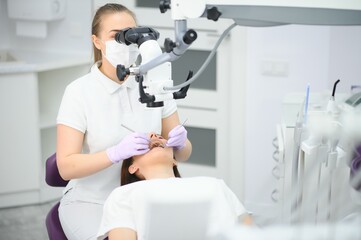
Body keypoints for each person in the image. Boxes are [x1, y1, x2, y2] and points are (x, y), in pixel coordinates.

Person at [56, 3, 192, 240]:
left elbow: (182, 155)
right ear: (97, 41)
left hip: (144, 198)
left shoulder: (155, 85)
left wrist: (180, 143)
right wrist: (115, 153)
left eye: (131, 34)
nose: (127, 43)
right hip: (92, 202)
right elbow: (66, 167)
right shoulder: (79, 92)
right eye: (116, 36)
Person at [97, 133, 250, 240]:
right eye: (143, 142)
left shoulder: (215, 185)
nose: (154, 136)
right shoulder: (123, 195)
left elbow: (252, 233)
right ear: (132, 167)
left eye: (160, 136)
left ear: (174, 160)